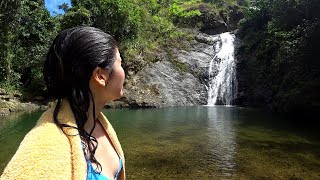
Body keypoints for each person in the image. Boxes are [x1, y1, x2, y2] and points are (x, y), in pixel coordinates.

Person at [1, 27, 126, 180]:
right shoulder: (44, 147)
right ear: (100, 76)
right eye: (120, 63)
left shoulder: (100, 123)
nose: (123, 71)